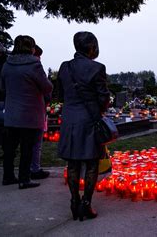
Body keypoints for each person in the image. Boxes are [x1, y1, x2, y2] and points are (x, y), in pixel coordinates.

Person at [57, 31, 110, 221]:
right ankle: (86, 203)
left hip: (70, 118)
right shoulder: (97, 68)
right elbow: (103, 98)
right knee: (91, 163)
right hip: (89, 120)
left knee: (72, 163)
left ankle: (74, 201)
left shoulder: (65, 67)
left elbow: (59, 93)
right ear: (91, 47)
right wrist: (101, 106)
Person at [1, 36, 53, 189]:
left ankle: (8, 176)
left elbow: (2, 87)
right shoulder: (34, 65)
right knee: (27, 148)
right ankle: (25, 179)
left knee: (10, 148)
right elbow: (47, 87)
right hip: (30, 113)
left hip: (11, 113)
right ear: (32, 48)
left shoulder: (7, 64)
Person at [30, 45, 51, 180]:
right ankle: (34, 169)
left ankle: (23, 171)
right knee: (36, 143)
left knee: (23, 142)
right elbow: (47, 87)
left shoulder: (10, 65)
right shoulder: (36, 67)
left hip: (15, 112)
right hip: (35, 109)